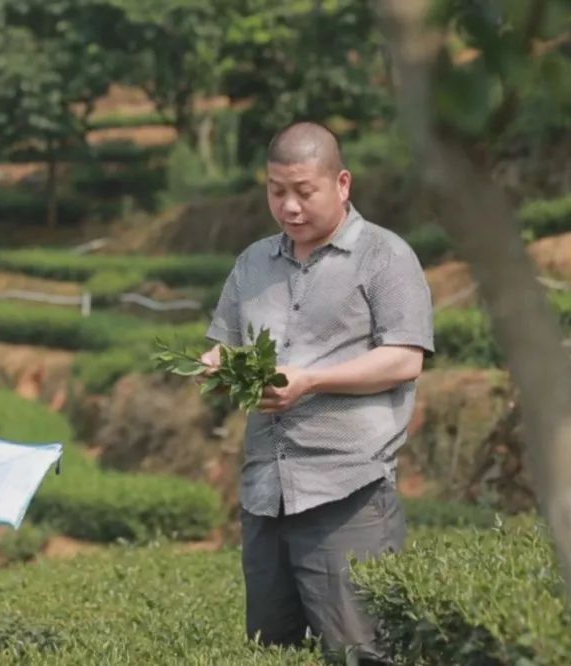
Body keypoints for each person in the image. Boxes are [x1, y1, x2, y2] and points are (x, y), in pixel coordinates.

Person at [202, 121, 434, 663]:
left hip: (347, 492)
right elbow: (223, 345)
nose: (289, 206)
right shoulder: (252, 264)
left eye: (303, 192)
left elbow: (405, 358)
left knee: (360, 651)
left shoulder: (385, 257)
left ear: (342, 183)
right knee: (272, 649)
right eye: (276, 191)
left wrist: (311, 381)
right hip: (266, 493)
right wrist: (213, 365)